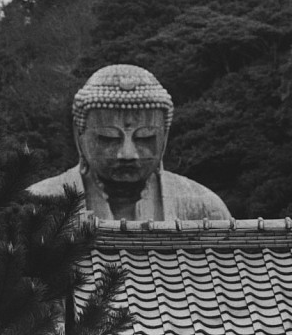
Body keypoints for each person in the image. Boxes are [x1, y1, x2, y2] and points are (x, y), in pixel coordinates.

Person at [29, 64, 231, 222]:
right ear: (79, 135)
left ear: (165, 137)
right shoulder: (36, 207)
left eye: (145, 138)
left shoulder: (204, 208)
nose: (127, 153)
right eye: (109, 138)